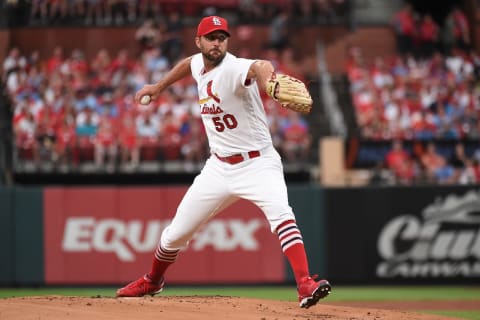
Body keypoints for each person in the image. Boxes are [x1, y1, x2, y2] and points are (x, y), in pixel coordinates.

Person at [116, 15, 331, 308]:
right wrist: (158, 86)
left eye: (222, 38)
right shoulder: (197, 64)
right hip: (218, 167)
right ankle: (153, 281)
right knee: (175, 234)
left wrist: (268, 81)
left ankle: (305, 284)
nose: (217, 43)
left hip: (258, 163)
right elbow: (188, 64)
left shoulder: (234, 68)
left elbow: (259, 66)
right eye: (211, 38)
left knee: (282, 215)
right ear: (199, 41)